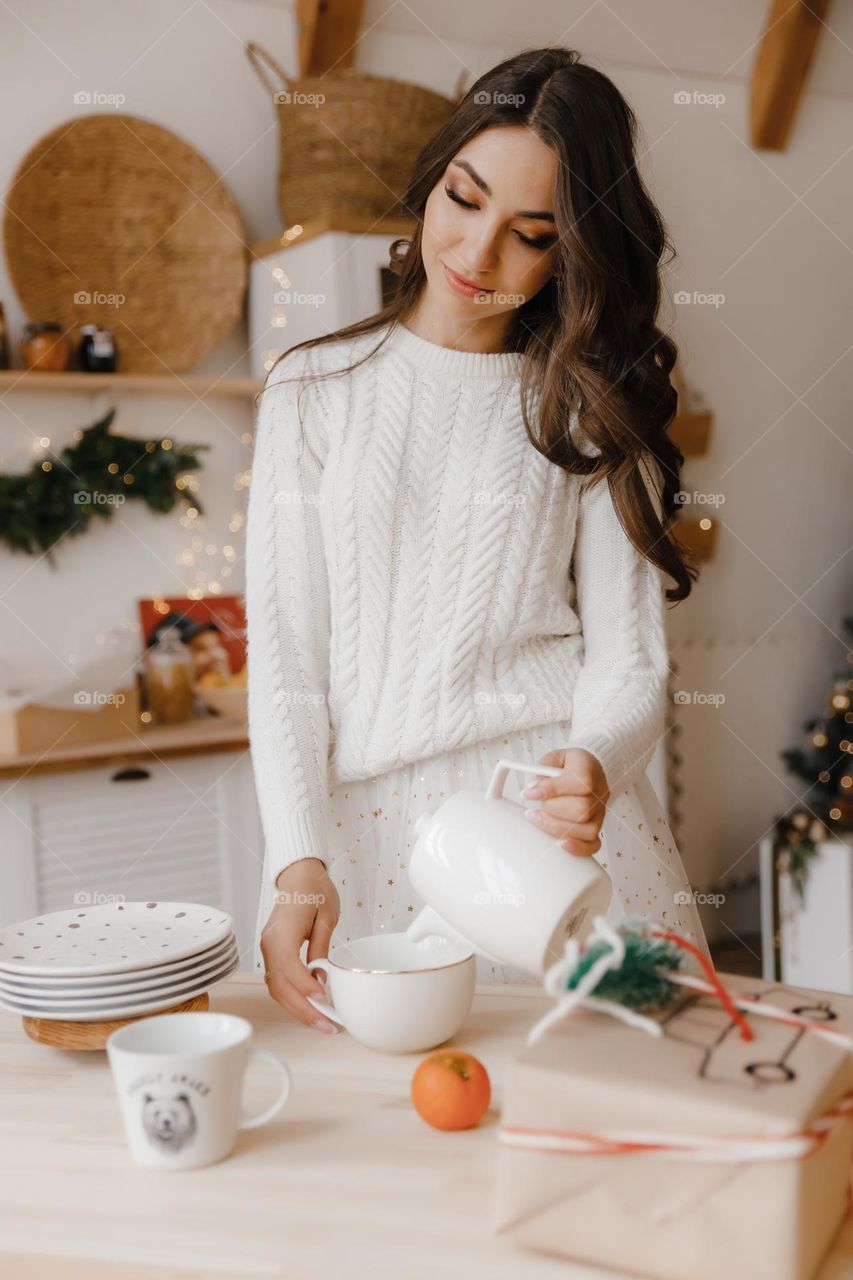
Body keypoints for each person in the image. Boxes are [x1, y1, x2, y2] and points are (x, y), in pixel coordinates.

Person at [245, 46, 711, 1034]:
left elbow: (628, 661)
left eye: (529, 233)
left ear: (569, 253)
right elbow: (284, 648)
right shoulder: (313, 390)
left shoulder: (583, 406)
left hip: (545, 841)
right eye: (463, 197)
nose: (476, 252)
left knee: (610, 1123)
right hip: (363, 843)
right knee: (392, 1154)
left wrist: (595, 757)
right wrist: (295, 856)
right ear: (435, 172)